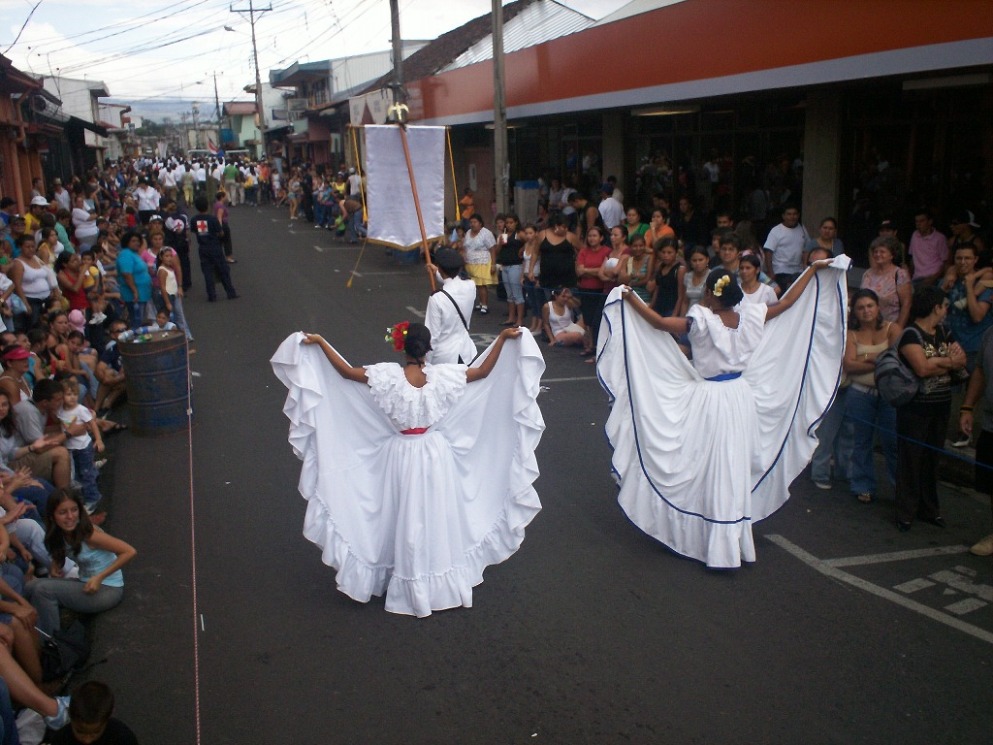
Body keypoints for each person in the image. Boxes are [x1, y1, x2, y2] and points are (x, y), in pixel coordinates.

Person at [270, 322, 544, 617]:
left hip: (402, 453)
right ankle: (437, 577)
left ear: (401, 346)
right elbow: (484, 372)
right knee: (434, 513)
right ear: (428, 348)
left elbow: (346, 372)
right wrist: (502, 338)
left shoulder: (386, 377)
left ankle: (406, 573)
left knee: (405, 514)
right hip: (434, 452)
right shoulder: (444, 376)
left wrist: (322, 343)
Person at [597, 256, 848, 568]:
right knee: (731, 463)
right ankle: (729, 537)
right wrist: (812, 270)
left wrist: (630, 297)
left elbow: (659, 323)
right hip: (740, 397)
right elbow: (787, 304)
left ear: (711, 295)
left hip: (713, 399)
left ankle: (712, 536)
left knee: (708, 463)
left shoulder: (702, 322)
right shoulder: (752, 316)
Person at [894, 286, 967, 532]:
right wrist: (947, 362)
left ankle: (929, 509)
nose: (946, 310)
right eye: (944, 306)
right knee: (911, 460)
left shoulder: (944, 331)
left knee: (931, 460)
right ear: (935, 307)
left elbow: (962, 360)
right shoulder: (911, 334)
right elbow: (922, 369)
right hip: (916, 408)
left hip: (941, 405)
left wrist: (937, 362)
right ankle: (906, 510)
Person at [25, 488, 136, 636]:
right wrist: (55, 565)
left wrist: (99, 577)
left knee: (43, 590)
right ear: (52, 517)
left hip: (108, 589)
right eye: (63, 512)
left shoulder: (89, 534)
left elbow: (129, 551)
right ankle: (31, 628)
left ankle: (50, 641)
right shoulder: (62, 534)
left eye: (74, 510)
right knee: (30, 586)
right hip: (84, 582)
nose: (70, 517)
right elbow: (62, 551)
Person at [843, 289, 900, 503]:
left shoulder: (892, 329)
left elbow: (898, 359)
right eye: (860, 307)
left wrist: (864, 357)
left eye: (870, 306)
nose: (866, 311)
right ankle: (863, 485)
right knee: (861, 442)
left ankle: (900, 488)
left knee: (892, 443)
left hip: (889, 395)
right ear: (854, 312)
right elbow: (848, 364)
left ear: (878, 308)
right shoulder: (852, 334)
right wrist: (880, 358)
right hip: (860, 394)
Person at [959, 326, 993, 557]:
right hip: (991, 423)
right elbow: (980, 370)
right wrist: (967, 406)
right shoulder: (990, 333)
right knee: (991, 484)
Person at [423, 249, 475, 365]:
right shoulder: (471, 286)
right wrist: (437, 271)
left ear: (441, 268)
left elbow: (432, 336)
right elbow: (453, 282)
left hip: (443, 358)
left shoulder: (437, 298)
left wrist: (426, 363)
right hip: (466, 353)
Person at [48, 680, 140, 745]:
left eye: (95, 732)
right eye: (80, 731)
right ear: (69, 714)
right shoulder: (61, 740)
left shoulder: (123, 739)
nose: (87, 740)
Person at [191, 197, 238, 302]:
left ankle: (211, 295)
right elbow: (220, 232)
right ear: (207, 206)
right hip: (214, 247)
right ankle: (230, 292)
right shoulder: (212, 219)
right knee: (223, 270)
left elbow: (194, 231)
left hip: (203, 247)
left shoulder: (194, 220)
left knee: (207, 272)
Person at [860, 236, 912, 329]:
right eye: (875, 252)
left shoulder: (900, 274)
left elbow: (906, 304)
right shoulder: (867, 274)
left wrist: (898, 328)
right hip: (866, 328)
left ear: (892, 255)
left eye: (882, 252)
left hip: (889, 329)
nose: (878, 254)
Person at [763, 204, 809, 293]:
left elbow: (806, 249)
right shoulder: (776, 231)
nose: (792, 217)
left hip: (798, 271)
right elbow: (768, 252)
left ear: (798, 215)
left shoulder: (802, 228)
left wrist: (805, 265)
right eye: (789, 214)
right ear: (783, 216)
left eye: (794, 214)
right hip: (780, 271)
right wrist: (770, 272)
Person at [461, 214, 496, 315]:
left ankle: (484, 305)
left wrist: (493, 264)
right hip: (470, 263)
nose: (472, 224)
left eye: (475, 222)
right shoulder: (468, 232)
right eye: (471, 222)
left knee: (481, 285)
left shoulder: (486, 233)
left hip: (482, 262)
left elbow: (492, 249)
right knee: (475, 285)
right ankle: (480, 303)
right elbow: (465, 246)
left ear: (480, 223)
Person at [907, 208, 947, 287]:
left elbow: (945, 262)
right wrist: (909, 277)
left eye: (922, 221)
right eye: (916, 221)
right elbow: (912, 258)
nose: (918, 224)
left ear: (930, 221)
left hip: (934, 278)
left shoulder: (940, 238)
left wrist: (934, 278)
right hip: (916, 278)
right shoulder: (914, 235)